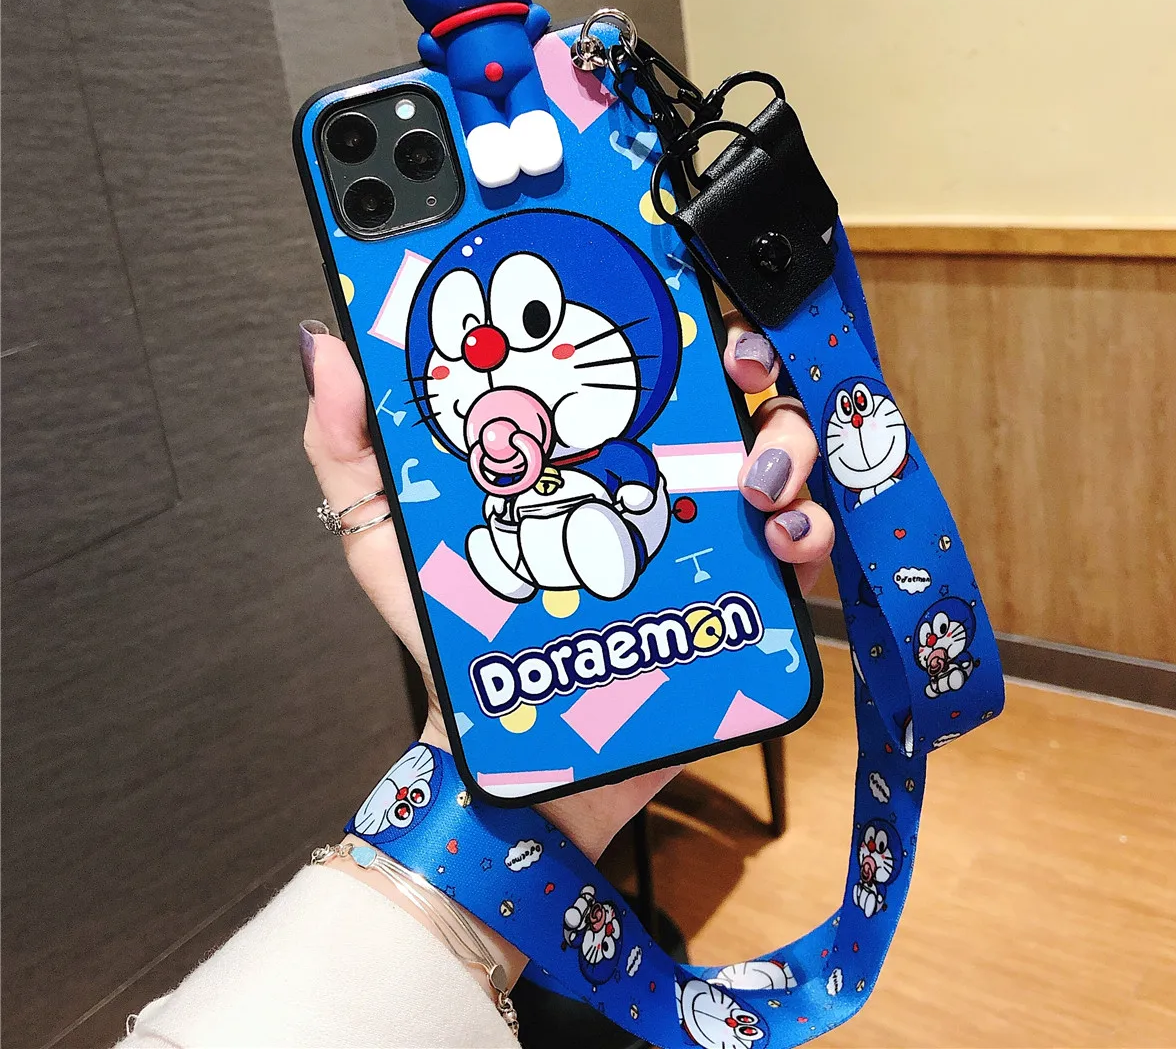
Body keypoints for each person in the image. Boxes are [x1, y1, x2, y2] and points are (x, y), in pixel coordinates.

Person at [119, 316, 834, 1048]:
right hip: (533, 561)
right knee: (509, 547)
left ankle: (597, 539)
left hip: (616, 518)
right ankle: (539, 552)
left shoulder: (609, 443)